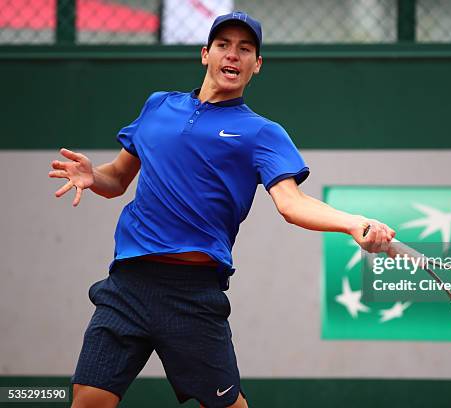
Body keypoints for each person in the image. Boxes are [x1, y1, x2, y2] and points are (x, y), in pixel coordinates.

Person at [48, 11, 395, 408]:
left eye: (245, 49)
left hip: (191, 294)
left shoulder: (262, 133)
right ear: (205, 54)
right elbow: (118, 180)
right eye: (224, 46)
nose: (233, 55)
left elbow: (291, 203)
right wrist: (94, 176)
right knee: (88, 402)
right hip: (127, 283)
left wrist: (352, 223)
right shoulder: (158, 106)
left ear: (257, 65)